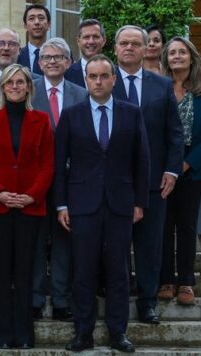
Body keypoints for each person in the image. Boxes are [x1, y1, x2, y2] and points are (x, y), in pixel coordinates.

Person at [55, 55, 150, 353]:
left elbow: (142, 160)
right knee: (83, 271)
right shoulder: (72, 115)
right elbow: (59, 165)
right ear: (86, 80)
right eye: (92, 76)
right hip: (82, 204)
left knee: (119, 272)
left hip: (121, 204)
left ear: (114, 79)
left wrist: (139, 201)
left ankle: (118, 332)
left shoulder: (131, 113)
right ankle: (83, 333)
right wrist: (60, 204)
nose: (98, 81)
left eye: (103, 76)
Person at [0, 64, 54, 349]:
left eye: (20, 82)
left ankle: (24, 335)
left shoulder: (41, 120)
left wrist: (31, 195)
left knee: (25, 271)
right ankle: (2, 335)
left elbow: (48, 165)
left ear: (29, 87)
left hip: (30, 207)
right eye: (10, 83)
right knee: (0, 270)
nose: (15, 87)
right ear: (3, 88)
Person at [112, 25, 182, 325]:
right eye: (123, 43)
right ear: (114, 48)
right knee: (114, 244)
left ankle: (148, 301)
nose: (129, 48)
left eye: (135, 43)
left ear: (146, 49)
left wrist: (172, 170)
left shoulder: (161, 85)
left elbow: (175, 134)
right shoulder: (102, 81)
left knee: (150, 244)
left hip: (154, 181)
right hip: (112, 182)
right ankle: (115, 297)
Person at [31, 38, 87, 322]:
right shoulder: (28, 92)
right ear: (39, 64)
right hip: (35, 181)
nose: (52, 62)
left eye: (58, 57)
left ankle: (62, 299)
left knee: (65, 240)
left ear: (68, 62)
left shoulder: (81, 93)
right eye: (47, 58)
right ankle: (36, 298)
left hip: (71, 180)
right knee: (37, 241)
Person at [159, 37, 201, 305]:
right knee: (163, 226)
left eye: (181, 52)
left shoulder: (199, 91)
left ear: (191, 57)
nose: (176, 56)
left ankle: (186, 281)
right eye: (172, 53)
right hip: (163, 168)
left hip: (192, 167)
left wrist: (186, 163)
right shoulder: (159, 88)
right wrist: (168, 166)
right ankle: (165, 280)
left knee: (186, 226)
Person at [64, 19, 106, 88]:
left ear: (104, 41)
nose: (91, 42)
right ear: (78, 41)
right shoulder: (66, 74)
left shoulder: (115, 73)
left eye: (95, 37)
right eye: (86, 37)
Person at [16, 4, 50, 75]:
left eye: (41, 18)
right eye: (31, 18)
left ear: (48, 25)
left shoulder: (60, 56)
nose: (37, 22)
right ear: (25, 26)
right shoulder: (16, 56)